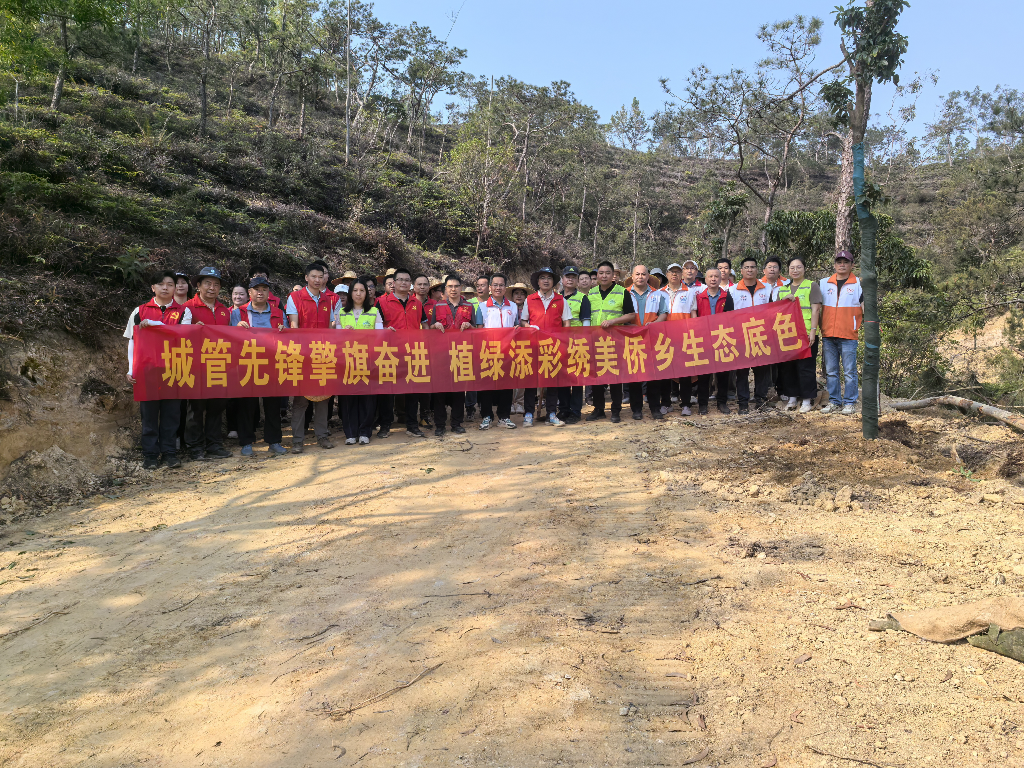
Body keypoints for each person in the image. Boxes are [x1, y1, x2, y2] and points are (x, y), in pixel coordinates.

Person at [125, 270, 185, 469]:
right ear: (153, 288)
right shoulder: (140, 311)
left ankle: (169, 453)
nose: (165, 287)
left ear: (175, 288)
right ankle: (150, 455)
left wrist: (154, 325)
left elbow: (182, 335)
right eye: (160, 284)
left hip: (173, 370)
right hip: (147, 371)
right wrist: (131, 369)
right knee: (149, 416)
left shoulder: (184, 312)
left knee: (171, 415)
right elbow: (132, 341)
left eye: (170, 284)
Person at [230, 276, 287, 456]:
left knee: (273, 404)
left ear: (269, 292)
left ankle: (274, 441)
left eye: (264, 289)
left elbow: (287, 337)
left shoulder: (278, 312)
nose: (260, 292)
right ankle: (246, 442)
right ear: (250, 292)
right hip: (248, 362)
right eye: (256, 289)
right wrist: (236, 328)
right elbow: (229, 337)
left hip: (272, 363)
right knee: (247, 404)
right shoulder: (238, 313)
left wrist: (283, 332)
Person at [181, 266, 233, 460]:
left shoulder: (224, 310)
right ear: (198, 286)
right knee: (196, 408)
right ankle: (195, 447)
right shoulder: (187, 308)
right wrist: (192, 330)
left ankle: (214, 444)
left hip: (219, 365)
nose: (212, 287)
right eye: (208, 283)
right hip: (196, 366)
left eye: (216, 284)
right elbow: (179, 335)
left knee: (216, 407)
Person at [286, 261, 338, 452]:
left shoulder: (327, 300)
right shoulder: (295, 297)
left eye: (320, 277)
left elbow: (331, 327)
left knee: (323, 397)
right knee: (301, 400)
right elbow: (294, 326)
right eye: (313, 276)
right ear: (306, 278)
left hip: (322, 355)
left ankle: (322, 436)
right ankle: (297, 440)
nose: (317, 280)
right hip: (302, 356)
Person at [376, 267, 429, 438]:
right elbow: (376, 327)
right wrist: (384, 331)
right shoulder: (381, 302)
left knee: (412, 390)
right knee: (388, 391)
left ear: (410, 283)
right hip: (389, 353)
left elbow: (424, 325)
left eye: (407, 280)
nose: (404, 283)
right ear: (394, 283)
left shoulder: (417, 303)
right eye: (400, 280)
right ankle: (385, 425)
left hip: (412, 352)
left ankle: (412, 425)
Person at [520, 267, 572, 427]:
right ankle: (528, 413)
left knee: (552, 381)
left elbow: (567, 322)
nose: (546, 280)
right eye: (542, 277)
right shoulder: (530, 299)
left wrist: (565, 341)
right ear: (538, 281)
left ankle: (551, 414)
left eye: (549, 278)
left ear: (553, 282)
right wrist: (529, 327)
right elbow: (523, 321)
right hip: (533, 346)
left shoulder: (561, 300)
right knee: (531, 381)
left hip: (554, 347)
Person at [586, 261, 637, 423]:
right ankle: (599, 409)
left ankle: (616, 410)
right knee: (597, 377)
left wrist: (613, 321)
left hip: (614, 341)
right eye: (601, 273)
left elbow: (631, 315)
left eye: (607, 273)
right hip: (595, 341)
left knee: (615, 377)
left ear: (613, 275)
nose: (604, 276)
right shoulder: (591, 293)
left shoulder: (622, 292)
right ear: (597, 275)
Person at [335, 279, 382, 445]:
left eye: (362, 290)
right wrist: (344, 333)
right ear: (350, 293)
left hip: (368, 360)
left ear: (367, 293)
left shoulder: (374, 311)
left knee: (367, 397)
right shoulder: (342, 313)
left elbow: (379, 337)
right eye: (355, 290)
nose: (358, 294)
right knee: (348, 398)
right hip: (347, 361)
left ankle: (365, 432)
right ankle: (350, 433)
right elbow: (337, 339)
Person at [819, 250, 863, 415]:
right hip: (828, 334)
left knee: (849, 372)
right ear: (834, 264)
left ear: (852, 265)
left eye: (846, 262)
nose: (842, 265)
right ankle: (834, 402)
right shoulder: (824, 283)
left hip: (848, 335)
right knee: (831, 372)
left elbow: (865, 306)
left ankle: (850, 402)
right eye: (839, 262)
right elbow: (816, 306)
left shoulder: (858, 284)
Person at [430, 274, 475, 437]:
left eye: (456, 286)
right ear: (445, 289)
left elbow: (476, 330)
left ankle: (456, 423)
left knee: (459, 390)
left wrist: (469, 325)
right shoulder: (438, 306)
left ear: (461, 288)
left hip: (461, 353)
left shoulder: (469, 306)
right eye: (450, 286)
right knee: (439, 391)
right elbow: (430, 329)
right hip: (441, 354)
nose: (453, 289)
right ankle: (440, 424)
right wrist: (435, 325)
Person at [777, 257, 823, 413]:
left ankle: (807, 400)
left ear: (804, 269)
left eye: (798, 267)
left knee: (806, 367)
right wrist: (783, 301)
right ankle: (792, 398)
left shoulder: (811, 286)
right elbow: (776, 311)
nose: (795, 270)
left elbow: (816, 310)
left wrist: (813, 332)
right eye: (792, 267)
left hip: (806, 333)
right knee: (788, 367)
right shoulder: (783, 289)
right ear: (788, 270)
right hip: (787, 334)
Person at [728, 256, 773, 414]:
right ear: (741, 271)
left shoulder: (767, 289)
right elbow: (727, 315)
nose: (749, 270)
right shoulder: (733, 290)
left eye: (752, 267)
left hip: (761, 336)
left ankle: (760, 401)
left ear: (757, 270)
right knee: (742, 372)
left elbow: (773, 311)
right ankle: (743, 403)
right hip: (741, 337)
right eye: (746, 267)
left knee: (762, 371)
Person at [475, 273, 518, 430]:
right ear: (490, 288)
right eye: (495, 285)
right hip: (489, 352)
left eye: (501, 285)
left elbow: (517, 327)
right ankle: (487, 416)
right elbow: (479, 330)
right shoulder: (482, 307)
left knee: (506, 385)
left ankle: (504, 417)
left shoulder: (513, 306)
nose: (498, 288)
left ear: (505, 288)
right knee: (487, 385)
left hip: (507, 352)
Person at [627, 265, 668, 421]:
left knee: (653, 376)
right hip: (632, 340)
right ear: (632, 276)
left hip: (652, 339)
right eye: (637, 274)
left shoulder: (658, 294)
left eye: (643, 274)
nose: (640, 277)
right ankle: (636, 409)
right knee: (634, 376)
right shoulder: (625, 293)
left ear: (648, 276)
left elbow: (663, 313)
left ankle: (655, 408)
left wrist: (655, 324)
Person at [693, 267, 735, 415]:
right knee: (704, 375)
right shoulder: (699, 297)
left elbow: (730, 317)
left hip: (722, 338)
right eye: (710, 276)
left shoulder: (726, 296)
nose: (713, 279)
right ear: (705, 279)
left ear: (720, 278)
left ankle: (722, 402)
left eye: (716, 276)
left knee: (723, 374)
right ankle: (703, 404)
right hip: (704, 340)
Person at [664, 262, 699, 415]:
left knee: (685, 373)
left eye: (677, 272)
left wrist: (693, 334)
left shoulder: (690, 292)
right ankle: (666, 403)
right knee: (666, 372)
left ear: (682, 274)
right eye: (671, 271)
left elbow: (693, 314)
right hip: (665, 339)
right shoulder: (659, 293)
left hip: (684, 338)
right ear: (667, 274)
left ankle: (685, 404)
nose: (674, 274)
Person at [558, 266, 591, 424]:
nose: (570, 279)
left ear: (577, 281)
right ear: (562, 279)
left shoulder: (582, 298)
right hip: (558, 344)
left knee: (577, 378)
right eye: (567, 276)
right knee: (562, 377)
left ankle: (575, 411)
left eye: (573, 277)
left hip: (577, 343)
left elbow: (586, 322)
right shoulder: (556, 298)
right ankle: (563, 409)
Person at [410, 273, 434, 430]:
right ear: (414, 286)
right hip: (409, 349)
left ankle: (425, 416)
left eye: (425, 284)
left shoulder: (435, 304)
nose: (422, 287)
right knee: (410, 383)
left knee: (426, 383)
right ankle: (406, 416)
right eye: (419, 284)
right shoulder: (408, 302)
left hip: (429, 349)